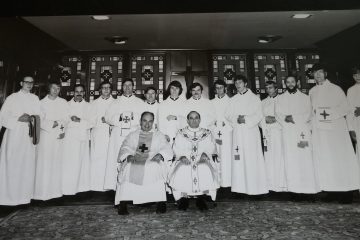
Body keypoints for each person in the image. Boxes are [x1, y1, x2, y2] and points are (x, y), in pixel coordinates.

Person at [310, 63, 360, 203]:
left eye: (321, 72)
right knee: (326, 160)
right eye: (315, 73)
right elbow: (311, 112)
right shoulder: (312, 91)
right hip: (321, 133)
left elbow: (345, 108)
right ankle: (331, 190)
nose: (318, 75)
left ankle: (347, 192)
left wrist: (323, 114)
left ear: (325, 74)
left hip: (335, 132)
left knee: (340, 160)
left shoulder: (335, 89)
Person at [116, 111, 173, 215]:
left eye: (150, 121)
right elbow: (125, 147)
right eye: (145, 121)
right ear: (140, 121)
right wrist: (128, 155)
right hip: (134, 158)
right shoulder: (133, 135)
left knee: (155, 167)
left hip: (152, 159)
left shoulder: (159, 135)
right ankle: (123, 203)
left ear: (153, 122)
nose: (147, 124)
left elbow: (166, 147)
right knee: (128, 166)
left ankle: (161, 202)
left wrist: (161, 154)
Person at [0, 75, 41, 205]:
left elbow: (41, 115)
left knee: (26, 166)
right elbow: (2, 116)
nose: (29, 84)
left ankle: (24, 198)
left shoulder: (35, 98)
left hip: (29, 136)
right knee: (12, 165)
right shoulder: (12, 98)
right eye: (26, 82)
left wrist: (32, 118)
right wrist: (18, 118)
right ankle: (9, 199)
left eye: (31, 82)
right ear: (21, 83)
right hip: (14, 135)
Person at [225, 75, 268, 196]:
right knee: (238, 159)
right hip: (238, 133)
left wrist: (246, 119)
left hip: (250, 134)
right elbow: (228, 115)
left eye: (240, 82)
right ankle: (240, 189)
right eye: (236, 83)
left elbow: (259, 115)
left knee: (251, 159)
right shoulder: (233, 99)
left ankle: (255, 189)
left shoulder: (254, 98)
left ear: (245, 84)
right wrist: (237, 119)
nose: (238, 85)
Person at [275, 76, 319, 194]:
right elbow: (278, 113)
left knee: (304, 158)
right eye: (288, 82)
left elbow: (309, 114)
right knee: (291, 159)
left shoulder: (305, 98)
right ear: (285, 84)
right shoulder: (280, 98)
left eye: (292, 82)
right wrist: (285, 118)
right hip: (288, 133)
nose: (290, 84)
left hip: (302, 133)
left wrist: (293, 118)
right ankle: (294, 190)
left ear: (297, 83)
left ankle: (308, 189)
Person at [168, 111, 219, 211]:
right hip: (185, 159)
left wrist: (205, 154)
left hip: (202, 158)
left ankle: (201, 198)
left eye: (196, 118)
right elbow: (176, 148)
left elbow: (211, 146)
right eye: (191, 118)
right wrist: (182, 156)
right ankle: (183, 199)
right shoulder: (181, 133)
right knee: (183, 168)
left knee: (204, 168)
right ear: (187, 120)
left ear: (200, 120)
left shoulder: (206, 133)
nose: (194, 120)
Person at [104, 78, 144, 190]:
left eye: (130, 85)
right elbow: (107, 118)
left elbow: (144, 118)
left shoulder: (139, 102)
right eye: (125, 85)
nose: (127, 88)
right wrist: (120, 117)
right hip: (118, 136)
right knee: (116, 157)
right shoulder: (115, 102)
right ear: (122, 87)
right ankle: (115, 185)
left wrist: (132, 116)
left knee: (133, 158)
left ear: (133, 87)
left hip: (133, 134)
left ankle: (133, 185)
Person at [34, 80, 69, 200]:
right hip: (46, 137)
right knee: (44, 164)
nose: (56, 90)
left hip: (59, 136)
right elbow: (39, 120)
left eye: (58, 88)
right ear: (49, 89)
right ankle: (42, 194)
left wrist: (62, 130)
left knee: (57, 163)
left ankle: (56, 193)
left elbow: (66, 119)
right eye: (53, 88)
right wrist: (51, 124)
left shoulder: (63, 102)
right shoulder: (41, 103)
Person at [61, 84, 93, 195]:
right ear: (73, 93)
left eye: (81, 91)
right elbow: (62, 120)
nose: (79, 94)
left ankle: (81, 189)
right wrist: (70, 121)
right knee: (69, 163)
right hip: (69, 138)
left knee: (81, 163)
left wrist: (79, 121)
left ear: (84, 93)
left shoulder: (89, 106)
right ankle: (67, 189)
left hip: (82, 138)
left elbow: (92, 122)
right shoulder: (66, 105)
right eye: (76, 91)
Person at [260, 80, 286, 192]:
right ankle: (271, 185)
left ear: (276, 88)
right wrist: (265, 120)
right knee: (269, 158)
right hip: (268, 133)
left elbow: (286, 116)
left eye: (270, 87)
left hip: (279, 132)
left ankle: (282, 185)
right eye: (266, 88)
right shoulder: (263, 102)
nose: (268, 90)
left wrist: (276, 119)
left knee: (280, 157)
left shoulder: (283, 100)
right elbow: (259, 117)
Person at [89, 81, 115, 191]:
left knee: (109, 159)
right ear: (100, 90)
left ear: (111, 90)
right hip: (98, 134)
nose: (106, 90)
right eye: (104, 88)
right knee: (97, 158)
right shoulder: (94, 103)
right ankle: (96, 185)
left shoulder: (116, 102)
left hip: (110, 134)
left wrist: (110, 121)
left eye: (108, 88)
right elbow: (90, 120)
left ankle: (109, 185)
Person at [211, 80, 232, 188]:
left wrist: (226, 124)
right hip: (215, 132)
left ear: (225, 88)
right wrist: (213, 125)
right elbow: (209, 117)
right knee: (216, 156)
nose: (219, 90)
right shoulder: (211, 102)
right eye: (217, 88)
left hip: (226, 133)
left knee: (226, 157)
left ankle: (227, 183)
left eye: (221, 87)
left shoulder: (231, 101)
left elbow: (233, 117)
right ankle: (217, 182)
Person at [158, 80, 186, 145]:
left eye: (177, 88)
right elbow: (160, 121)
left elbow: (187, 119)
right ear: (169, 89)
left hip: (181, 134)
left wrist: (176, 118)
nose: (174, 90)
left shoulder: (185, 104)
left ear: (180, 90)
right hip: (167, 134)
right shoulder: (163, 104)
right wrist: (163, 134)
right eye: (172, 88)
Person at [346, 65, 360, 162]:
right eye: (355, 75)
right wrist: (351, 129)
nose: (358, 76)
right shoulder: (351, 90)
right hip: (357, 123)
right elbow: (349, 111)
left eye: (359, 74)